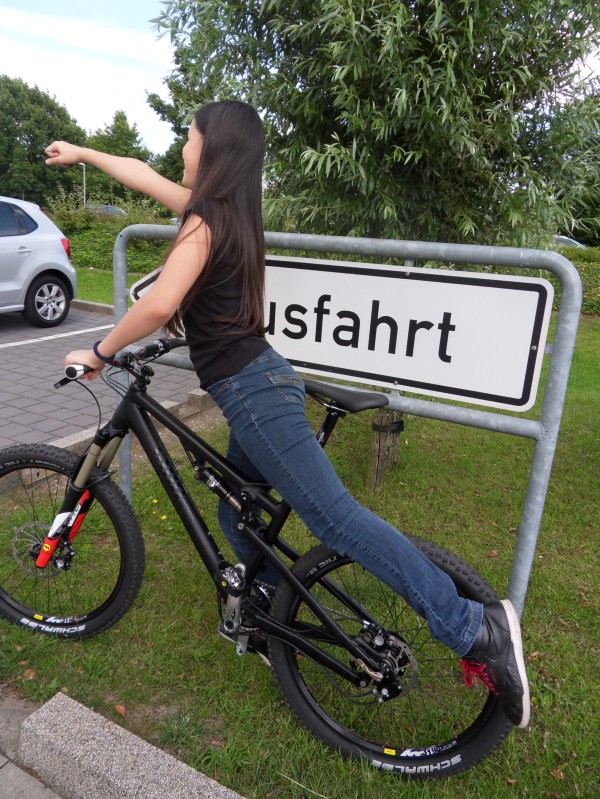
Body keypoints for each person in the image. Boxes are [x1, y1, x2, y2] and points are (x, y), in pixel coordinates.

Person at [45, 100, 530, 728]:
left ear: (213, 149)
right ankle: (279, 613)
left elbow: (161, 303)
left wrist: (101, 351)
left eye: (189, 139)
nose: (182, 151)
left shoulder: (205, 220)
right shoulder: (227, 212)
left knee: (337, 520)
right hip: (258, 381)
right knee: (237, 508)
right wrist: (84, 153)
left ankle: (474, 628)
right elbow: (142, 174)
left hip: (252, 390)